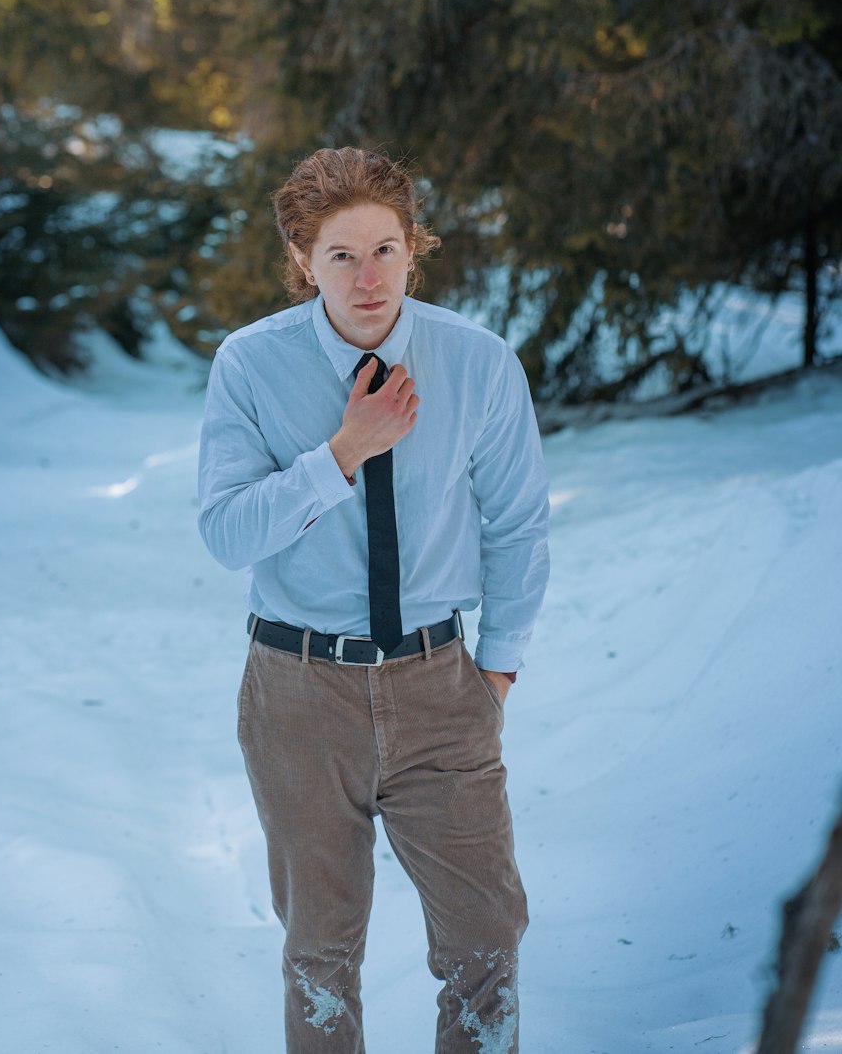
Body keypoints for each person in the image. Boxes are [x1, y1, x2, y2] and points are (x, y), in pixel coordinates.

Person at [197, 146, 550, 1053]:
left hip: (441, 688)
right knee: (321, 953)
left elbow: (516, 523)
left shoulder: (478, 362)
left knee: (486, 940)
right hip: (299, 693)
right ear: (302, 259)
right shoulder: (250, 365)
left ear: (414, 250)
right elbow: (227, 532)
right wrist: (341, 454)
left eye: (386, 250)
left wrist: (497, 668)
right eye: (342, 255)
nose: (367, 278)